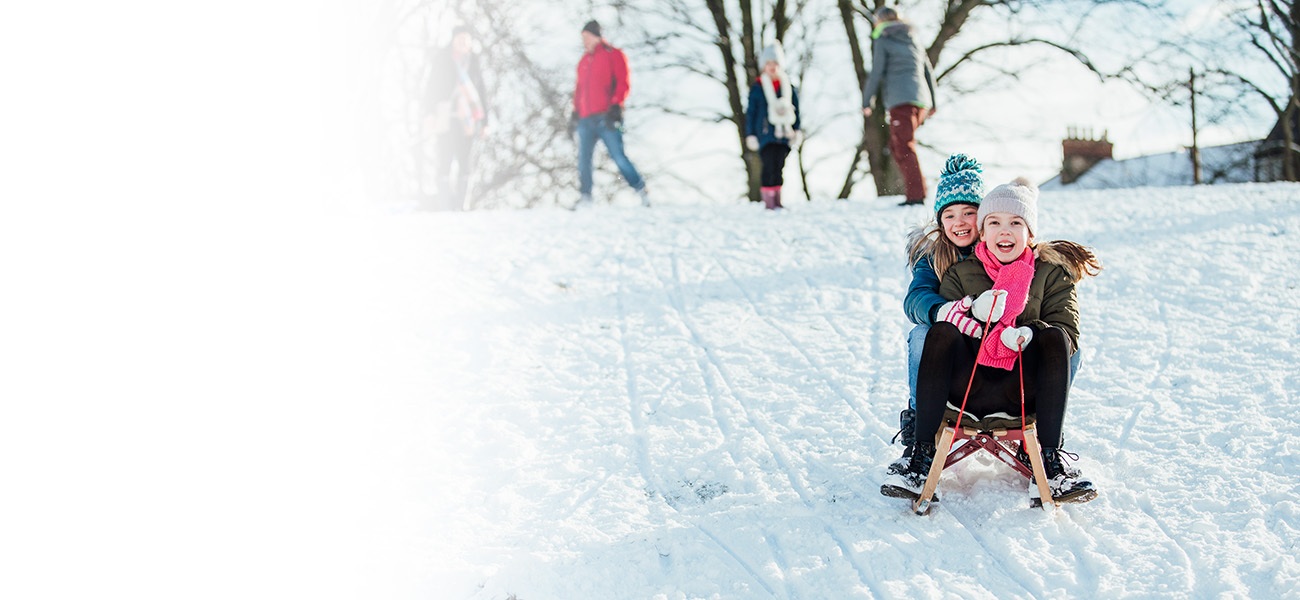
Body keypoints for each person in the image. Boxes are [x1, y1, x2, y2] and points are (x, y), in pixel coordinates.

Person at [882, 178, 1102, 504]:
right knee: (936, 331)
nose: (1005, 231)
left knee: (1057, 338)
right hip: (967, 389)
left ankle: (1050, 461)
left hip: (1022, 391)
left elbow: (1067, 328)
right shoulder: (957, 272)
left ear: (1031, 233)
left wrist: (1031, 333)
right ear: (982, 232)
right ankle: (920, 455)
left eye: (1016, 223)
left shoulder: (1052, 272)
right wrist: (971, 311)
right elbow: (922, 304)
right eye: (995, 222)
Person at [888, 154, 986, 476]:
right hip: (950, 358)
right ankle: (920, 434)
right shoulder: (932, 256)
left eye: (969, 212)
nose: (960, 222)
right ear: (940, 220)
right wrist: (944, 311)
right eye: (950, 214)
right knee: (920, 334)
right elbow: (915, 298)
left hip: (994, 355)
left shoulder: (1000, 248)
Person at [861, 7, 937, 206]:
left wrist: (866, 100)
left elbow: (876, 72)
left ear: (879, 21)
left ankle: (916, 195)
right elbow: (928, 71)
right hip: (921, 101)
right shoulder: (913, 39)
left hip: (901, 100)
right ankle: (916, 190)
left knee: (903, 145)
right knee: (897, 145)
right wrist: (933, 102)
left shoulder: (884, 39)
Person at [570, 20, 649, 208]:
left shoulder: (613, 54)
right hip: (585, 118)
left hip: (606, 116)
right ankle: (585, 197)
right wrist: (574, 112)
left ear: (597, 36)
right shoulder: (583, 61)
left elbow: (623, 82)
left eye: (587, 37)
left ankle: (640, 189)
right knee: (583, 159)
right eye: (582, 38)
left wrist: (616, 105)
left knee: (618, 156)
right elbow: (579, 90)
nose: (584, 41)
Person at [422, 25, 488, 211]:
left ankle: (461, 205)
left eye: (466, 39)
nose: (463, 43)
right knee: (444, 159)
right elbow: (431, 87)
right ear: (453, 40)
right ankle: (444, 205)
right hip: (446, 116)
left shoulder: (474, 61)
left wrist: (485, 122)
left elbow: (481, 91)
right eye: (460, 39)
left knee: (465, 161)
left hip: (467, 119)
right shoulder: (442, 59)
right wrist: (429, 113)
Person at [744, 41, 802, 210]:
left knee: (779, 167)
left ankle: (777, 201)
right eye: (768, 63)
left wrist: (797, 130)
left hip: (785, 135)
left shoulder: (788, 88)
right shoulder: (758, 88)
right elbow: (751, 113)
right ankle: (769, 203)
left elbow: (796, 111)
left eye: (775, 63)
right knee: (768, 166)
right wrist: (750, 134)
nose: (772, 67)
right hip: (765, 134)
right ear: (764, 66)